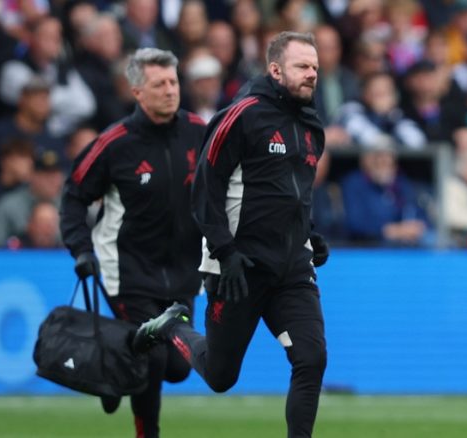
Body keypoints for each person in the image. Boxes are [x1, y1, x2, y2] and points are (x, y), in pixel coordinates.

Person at [133, 32, 330, 438]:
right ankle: (172, 327)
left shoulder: (312, 125)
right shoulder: (241, 115)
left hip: (292, 267)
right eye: (302, 66)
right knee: (221, 376)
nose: (312, 74)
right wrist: (225, 251)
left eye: (315, 67)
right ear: (275, 71)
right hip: (238, 265)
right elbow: (206, 187)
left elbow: (293, 194)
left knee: (311, 359)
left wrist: (310, 233)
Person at [59, 48, 208, 438]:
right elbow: (73, 196)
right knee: (156, 359)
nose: (169, 90)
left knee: (178, 367)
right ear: (137, 92)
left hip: (182, 273)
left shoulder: (200, 132)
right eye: (159, 84)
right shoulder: (113, 144)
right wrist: (81, 250)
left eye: (173, 81)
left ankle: (113, 364)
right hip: (126, 271)